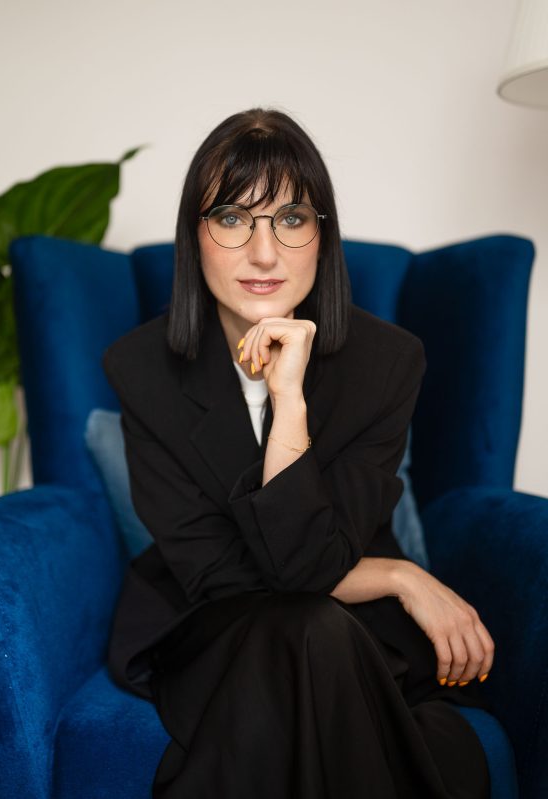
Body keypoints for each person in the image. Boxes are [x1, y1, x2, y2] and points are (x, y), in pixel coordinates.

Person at [101, 107, 495, 798]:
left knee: (317, 626)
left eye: (290, 218)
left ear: (322, 236)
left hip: (351, 628)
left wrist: (289, 399)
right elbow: (221, 574)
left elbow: (308, 566)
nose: (264, 253)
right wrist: (401, 576)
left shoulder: (387, 362)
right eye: (232, 218)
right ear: (194, 236)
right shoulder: (140, 368)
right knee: (314, 630)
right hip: (213, 625)